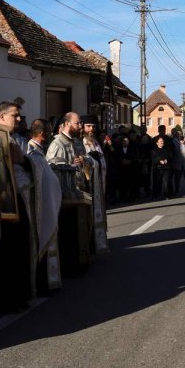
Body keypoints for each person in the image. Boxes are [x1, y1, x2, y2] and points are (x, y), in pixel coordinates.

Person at [0, 101, 36, 313]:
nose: (19, 119)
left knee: (19, 249)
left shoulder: (13, 140)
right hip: (4, 206)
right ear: (1, 118)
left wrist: (24, 161)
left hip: (17, 200)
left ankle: (19, 296)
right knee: (8, 253)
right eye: (14, 116)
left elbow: (22, 164)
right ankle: (8, 299)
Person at [47, 113, 91, 276]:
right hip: (66, 198)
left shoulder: (78, 142)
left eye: (80, 123)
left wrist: (84, 161)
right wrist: (69, 165)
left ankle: (83, 259)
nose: (80, 126)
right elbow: (51, 167)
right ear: (66, 124)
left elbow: (88, 160)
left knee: (82, 227)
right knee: (69, 231)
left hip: (80, 194)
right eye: (77, 123)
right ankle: (70, 264)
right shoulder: (57, 144)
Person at [26, 119, 62, 294]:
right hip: (41, 208)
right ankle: (42, 283)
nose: (49, 135)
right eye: (48, 132)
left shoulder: (39, 152)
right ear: (42, 134)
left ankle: (48, 280)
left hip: (48, 205)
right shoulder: (31, 152)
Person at [82, 116, 108, 253]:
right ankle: (90, 243)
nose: (91, 129)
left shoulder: (96, 142)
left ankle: (99, 241)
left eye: (93, 126)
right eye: (88, 126)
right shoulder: (81, 143)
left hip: (100, 184)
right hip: (89, 186)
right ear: (82, 127)